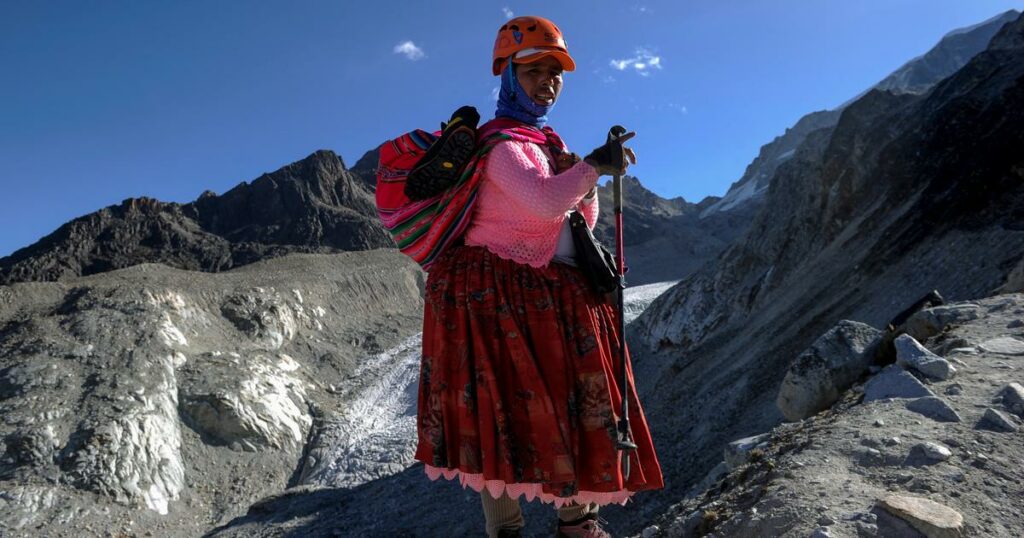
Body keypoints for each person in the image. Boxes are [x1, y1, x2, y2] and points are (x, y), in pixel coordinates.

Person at [414, 15, 664, 538]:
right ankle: (526, 528)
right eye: (534, 71)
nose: (547, 81)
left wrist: (586, 177)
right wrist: (593, 166)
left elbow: (579, 218)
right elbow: (545, 201)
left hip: (531, 296)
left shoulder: (539, 141)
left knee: (523, 411)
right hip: (498, 297)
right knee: (509, 409)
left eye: (556, 73)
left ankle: (572, 523)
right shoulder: (501, 144)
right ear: (506, 74)